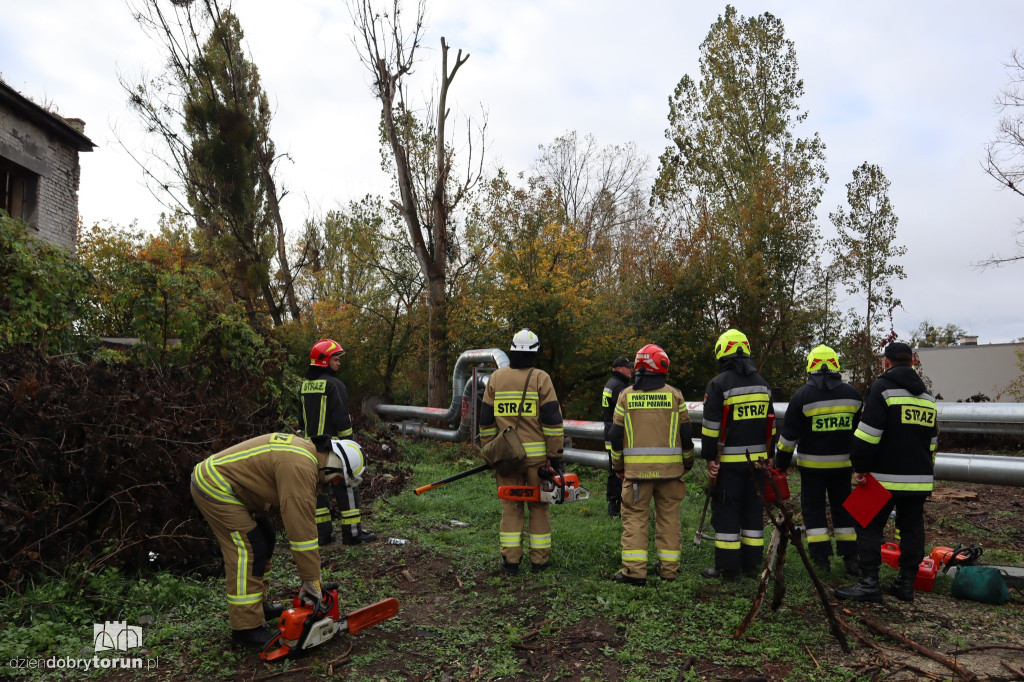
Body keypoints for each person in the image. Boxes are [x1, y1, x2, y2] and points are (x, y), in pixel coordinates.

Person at [190, 432, 349, 647]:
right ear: (335, 464)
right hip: (214, 485)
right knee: (249, 548)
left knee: (266, 536)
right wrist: (311, 580)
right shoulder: (301, 466)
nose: (333, 484)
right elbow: (302, 534)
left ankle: (257, 607)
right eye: (338, 479)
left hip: (232, 488)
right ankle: (246, 628)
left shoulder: (306, 457)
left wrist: (312, 580)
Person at [836, 342, 938, 603]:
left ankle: (869, 583)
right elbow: (933, 442)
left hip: (883, 477)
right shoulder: (927, 398)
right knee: (912, 527)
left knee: (865, 522)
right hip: (919, 478)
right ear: (912, 363)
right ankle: (905, 584)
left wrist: (859, 466)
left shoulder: (882, 389)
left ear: (887, 362)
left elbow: (868, 434)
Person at [478, 329, 565, 575]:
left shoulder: (496, 378)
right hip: (537, 462)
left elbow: (485, 421)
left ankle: (510, 562)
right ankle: (539, 561)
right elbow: (552, 421)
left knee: (511, 507)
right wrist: (555, 455)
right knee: (539, 507)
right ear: (536, 351)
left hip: (507, 459)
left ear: (512, 349)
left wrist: (490, 452)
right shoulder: (541, 378)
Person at [608, 344, 694, 586]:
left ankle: (634, 573)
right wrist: (687, 463)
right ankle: (669, 571)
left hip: (635, 475)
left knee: (634, 520)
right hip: (670, 475)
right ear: (662, 366)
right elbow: (686, 435)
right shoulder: (675, 395)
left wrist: (618, 466)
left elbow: (615, 435)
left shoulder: (626, 396)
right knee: (669, 520)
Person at [775, 345, 862, 576]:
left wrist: (780, 465)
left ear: (810, 367)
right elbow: (861, 435)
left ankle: (821, 559)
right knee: (844, 510)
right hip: (843, 467)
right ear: (836, 365)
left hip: (812, 468)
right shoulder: (853, 395)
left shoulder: (802, 396)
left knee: (813, 510)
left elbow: (787, 438)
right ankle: (851, 558)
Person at [700, 328, 776, 580]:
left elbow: (711, 429)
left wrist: (710, 458)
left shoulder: (718, 384)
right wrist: (769, 455)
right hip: (758, 464)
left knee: (726, 514)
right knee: (753, 513)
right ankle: (751, 566)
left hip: (728, 466)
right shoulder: (763, 385)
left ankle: (728, 569)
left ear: (723, 352)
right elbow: (771, 426)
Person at [300, 339, 376, 547]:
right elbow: (342, 419)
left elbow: (301, 420)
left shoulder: (305, 386)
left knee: (319, 492)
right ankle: (352, 534)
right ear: (324, 361)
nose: (339, 363)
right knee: (348, 487)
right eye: (335, 358)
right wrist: (350, 447)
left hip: (308, 449)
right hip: (333, 448)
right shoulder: (335, 385)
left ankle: (323, 535)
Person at [602, 356, 634, 517]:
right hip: (617, 433)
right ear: (619, 368)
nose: (631, 369)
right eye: (628, 367)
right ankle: (615, 506)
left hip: (611, 431)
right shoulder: (619, 387)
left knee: (614, 469)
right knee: (617, 470)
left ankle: (615, 504)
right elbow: (626, 411)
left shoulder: (612, 383)